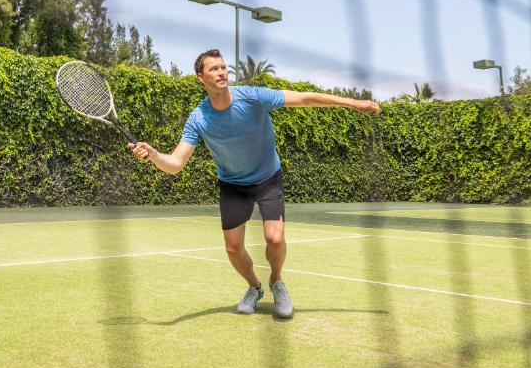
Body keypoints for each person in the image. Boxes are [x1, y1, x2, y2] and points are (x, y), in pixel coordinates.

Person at [129, 48, 380, 318]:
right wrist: (154, 155)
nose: (222, 72)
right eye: (214, 69)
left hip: (268, 178)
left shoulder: (252, 96)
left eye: (223, 67)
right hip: (233, 185)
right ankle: (255, 287)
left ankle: (277, 282)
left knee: (274, 238)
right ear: (201, 78)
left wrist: (353, 103)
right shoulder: (198, 118)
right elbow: (176, 164)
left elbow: (304, 98)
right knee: (233, 249)